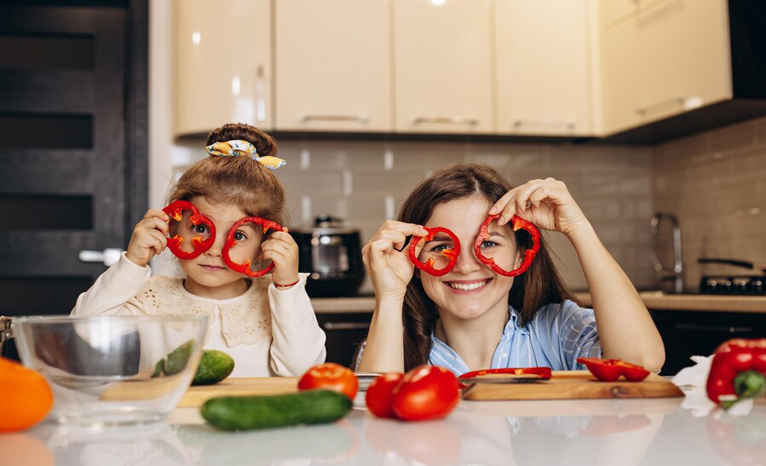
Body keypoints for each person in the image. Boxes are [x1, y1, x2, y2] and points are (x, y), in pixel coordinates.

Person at [356, 163, 664, 374]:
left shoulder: (557, 332)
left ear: (520, 255)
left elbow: (641, 362)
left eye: (488, 244)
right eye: (441, 247)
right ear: (415, 261)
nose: (465, 266)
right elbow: (374, 427)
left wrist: (577, 227)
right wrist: (390, 295)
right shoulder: (391, 348)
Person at [71, 123, 326, 377]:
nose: (215, 250)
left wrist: (287, 288)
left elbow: (302, 370)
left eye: (238, 235)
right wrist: (133, 262)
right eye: (201, 228)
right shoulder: (151, 296)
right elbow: (85, 329)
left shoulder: (277, 301)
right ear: (173, 226)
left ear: (264, 246)